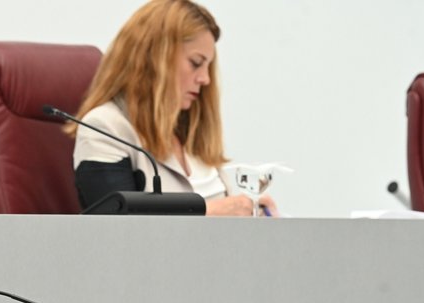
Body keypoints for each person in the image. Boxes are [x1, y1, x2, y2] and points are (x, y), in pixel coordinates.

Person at [71, 0, 277, 216]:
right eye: (196, 63)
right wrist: (210, 212)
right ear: (154, 58)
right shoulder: (104, 127)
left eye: (208, 66)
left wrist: (253, 215)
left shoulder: (192, 132)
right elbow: (122, 232)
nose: (206, 79)